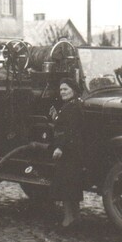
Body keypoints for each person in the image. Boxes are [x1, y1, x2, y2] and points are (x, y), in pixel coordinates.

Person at [48, 78, 84, 228]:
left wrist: (60, 148)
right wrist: (56, 117)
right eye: (61, 89)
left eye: (66, 89)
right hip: (73, 152)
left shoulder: (72, 107)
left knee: (66, 186)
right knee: (72, 185)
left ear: (73, 90)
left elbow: (69, 131)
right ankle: (75, 217)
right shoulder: (72, 105)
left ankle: (68, 219)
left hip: (68, 153)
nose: (62, 92)